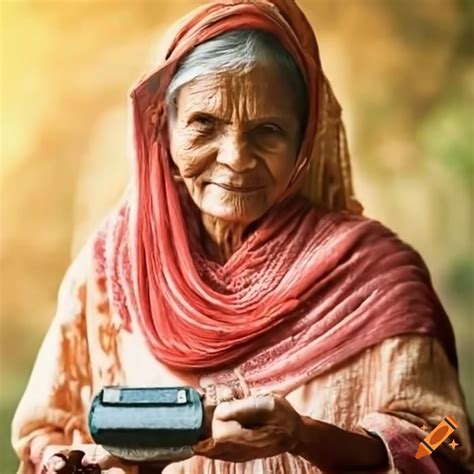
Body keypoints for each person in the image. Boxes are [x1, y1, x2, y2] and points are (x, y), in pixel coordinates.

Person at [11, 0, 473, 473]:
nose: (235, 157)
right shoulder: (116, 266)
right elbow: (45, 434)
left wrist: (307, 437)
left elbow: (448, 444)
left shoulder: (377, 275)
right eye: (204, 124)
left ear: (303, 141)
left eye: (267, 130)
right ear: (163, 130)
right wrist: (83, 463)